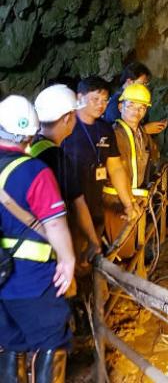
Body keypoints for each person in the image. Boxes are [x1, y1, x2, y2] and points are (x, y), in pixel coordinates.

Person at [0, 95, 75, 383]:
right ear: (28, 135)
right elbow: (54, 223)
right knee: (52, 338)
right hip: (30, 280)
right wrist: (67, 261)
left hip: (1, 282)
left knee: (10, 343)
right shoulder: (34, 171)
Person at [62, 77, 140, 250]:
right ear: (79, 97)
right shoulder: (65, 126)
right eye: (95, 99)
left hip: (95, 201)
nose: (101, 104)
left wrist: (128, 204)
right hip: (68, 205)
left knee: (92, 254)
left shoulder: (105, 129)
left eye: (105, 100)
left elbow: (116, 167)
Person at [32, 85, 102, 269]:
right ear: (67, 118)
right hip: (50, 248)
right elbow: (77, 203)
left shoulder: (30, 146)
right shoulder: (57, 157)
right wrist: (93, 241)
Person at [107, 83, 159, 260]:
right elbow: (115, 170)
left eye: (142, 107)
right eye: (131, 106)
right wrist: (127, 201)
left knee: (132, 246)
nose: (136, 112)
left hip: (134, 199)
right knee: (121, 250)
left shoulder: (140, 133)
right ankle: (117, 286)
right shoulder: (115, 133)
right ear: (121, 106)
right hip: (117, 201)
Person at [104, 62, 168, 136]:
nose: (145, 88)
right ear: (129, 82)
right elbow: (113, 133)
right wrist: (144, 130)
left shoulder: (133, 98)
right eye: (142, 83)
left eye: (146, 84)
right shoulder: (116, 103)